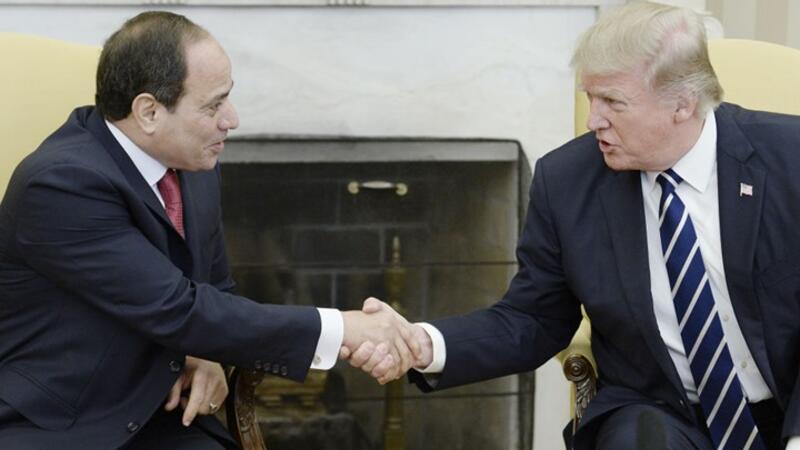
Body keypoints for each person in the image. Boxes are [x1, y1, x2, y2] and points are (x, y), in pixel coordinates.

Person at [346, 2, 800, 449]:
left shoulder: (789, 158)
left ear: (682, 104)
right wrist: (423, 343)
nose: (592, 121)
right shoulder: (567, 181)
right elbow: (534, 318)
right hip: (658, 412)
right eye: (590, 97)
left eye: (613, 102)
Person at [0, 11, 417, 450]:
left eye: (227, 98)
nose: (231, 119)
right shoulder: (62, 184)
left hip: (163, 411)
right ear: (149, 112)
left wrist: (206, 353)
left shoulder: (194, 166)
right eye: (213, 106)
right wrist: (341, 328)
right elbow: (176, 308)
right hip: (60, 423)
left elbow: (215, 291)